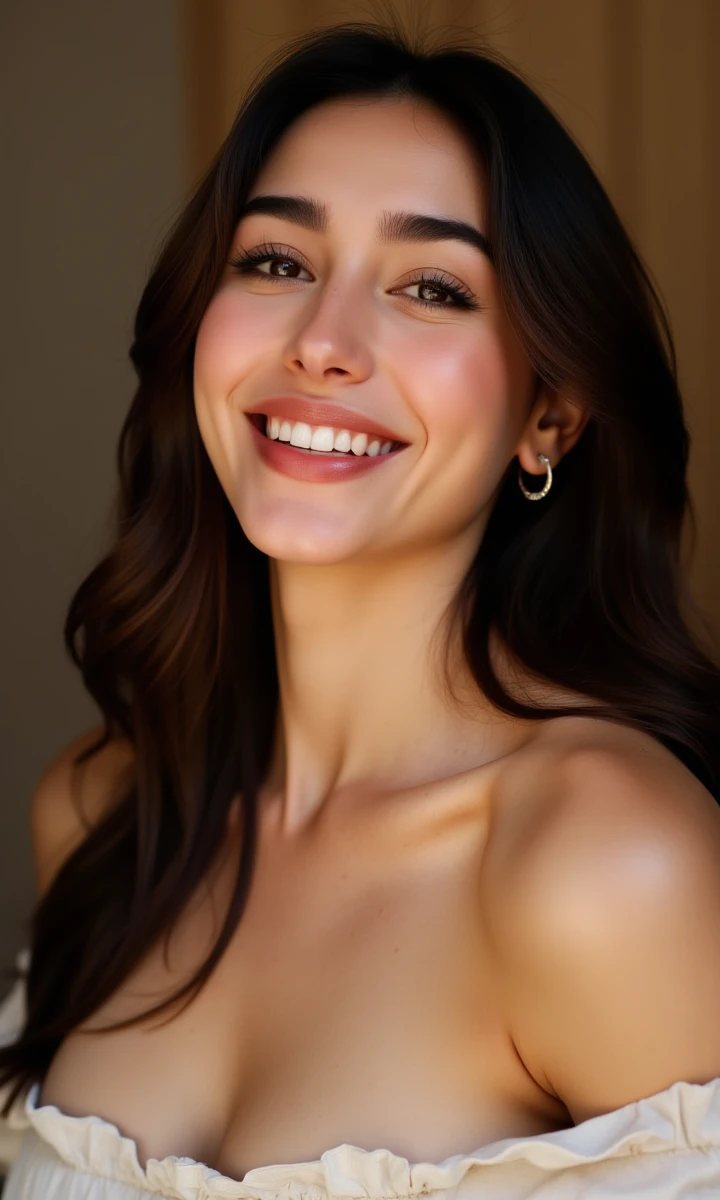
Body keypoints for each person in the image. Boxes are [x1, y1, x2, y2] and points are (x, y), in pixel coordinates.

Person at [2, 16, 720, 1200]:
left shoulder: (606, 860)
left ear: (550, 414)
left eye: (431, 286)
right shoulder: (106, 816)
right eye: (277, 262)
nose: (323, 344)